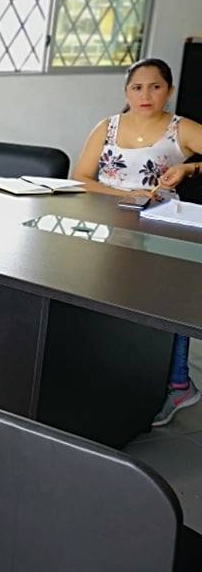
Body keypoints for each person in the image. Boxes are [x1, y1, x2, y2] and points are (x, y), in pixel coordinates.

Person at [73, 58, 202, 425]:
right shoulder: (107, 126)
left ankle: (179, 384)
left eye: (155, 86)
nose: (146, 95)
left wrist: (190, 167)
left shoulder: (180, 128)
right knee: (109, 295)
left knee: (165, 302)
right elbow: (81, 177)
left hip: (160, 227)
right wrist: (123, 194)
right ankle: (120, 375)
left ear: (169, 91)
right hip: (108, 223)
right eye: (137, 87)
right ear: (126, 92)